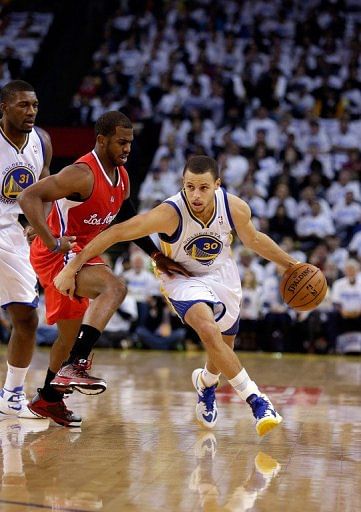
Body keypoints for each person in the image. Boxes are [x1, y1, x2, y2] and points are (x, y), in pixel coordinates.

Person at [54, 155, 301, 436]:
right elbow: (117, 232)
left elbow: (254, 240)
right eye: (189, 186)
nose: (195, 194)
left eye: (204, 188)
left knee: (223, 346)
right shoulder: (170, 213)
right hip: (181, 277)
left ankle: (207, 383)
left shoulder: (235, 208)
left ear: (217, 185)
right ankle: (258, 401)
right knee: (208, 331)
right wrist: (72, 267)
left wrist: (291, 265)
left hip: (222, 274)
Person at [17, 110, 188, 427]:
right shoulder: (82, 173)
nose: (127, 148)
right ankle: (76, 365)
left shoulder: (121, 178)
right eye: (121, 142)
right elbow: (30, 195)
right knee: (115, 287)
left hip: (84, 254)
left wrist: (155, 254)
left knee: (67, 339)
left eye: (130, 143)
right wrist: (49, 237)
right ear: (101, 140)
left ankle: (48, 399)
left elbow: (126, 217)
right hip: (59, 254)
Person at [0, 80, 52, 418]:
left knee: (27, 318)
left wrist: (38, 223)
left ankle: (12, 394)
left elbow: (45, 188)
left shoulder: (42, 141)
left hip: (12, 234)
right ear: (4, 108)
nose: (31, 111)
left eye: (33, 105)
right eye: (23, 105)